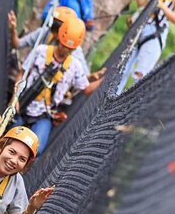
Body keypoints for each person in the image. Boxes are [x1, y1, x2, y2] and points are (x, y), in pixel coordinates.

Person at [12, 16, 105, 156]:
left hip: (45, 114)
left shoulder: (75, 66)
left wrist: (106, 78)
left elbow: (86, 89)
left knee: (36, 149)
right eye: (63, 45)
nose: (64, 50)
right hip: (24, 103)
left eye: (69, 48)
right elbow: (22, 73)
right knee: (10, 139)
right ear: (59, 38)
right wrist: (14, 99)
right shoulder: (41, 51)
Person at [8, 6, 106, 81]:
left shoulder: (72, 49)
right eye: (54, 26)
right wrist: (13, 29)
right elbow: (17, 44)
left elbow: (83, 76)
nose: (55, 32)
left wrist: (92, 77)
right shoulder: (44, 33)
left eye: (59, 28)